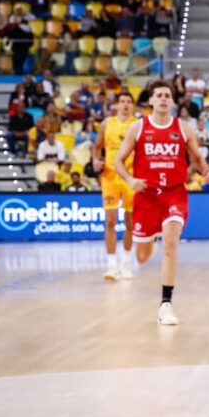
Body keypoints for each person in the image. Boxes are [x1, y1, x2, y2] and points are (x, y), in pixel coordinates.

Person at [113, 81, 209, 326]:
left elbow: (196, 157)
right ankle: (152, 236)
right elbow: (118, 161)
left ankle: (166, 304)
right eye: (158, 95)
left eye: (167, 95)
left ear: (172, 101)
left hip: (174, 193)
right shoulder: (138, 128)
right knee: (142, 256)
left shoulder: (184, 128)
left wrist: (206, 172)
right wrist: (129, 179)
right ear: (150, 101)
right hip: (146, 196)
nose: (162, 98)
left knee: (171, 244)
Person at [94, 92, 138, 281]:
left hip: (130, 177)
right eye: (122, 102)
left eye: (129, 102)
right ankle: (111, 266)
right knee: (110, 221)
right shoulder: (106, 124)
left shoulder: (138, 125)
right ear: (117, 105)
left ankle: (126, 263)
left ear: (132, 106)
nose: (125, 105)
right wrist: (96, 160)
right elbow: (96, 147)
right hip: (110, 176)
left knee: (130, 223)